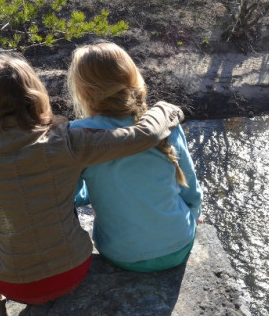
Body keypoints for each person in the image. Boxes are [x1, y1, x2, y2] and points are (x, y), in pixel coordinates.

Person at [0, 52, 184, 316]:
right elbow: (144, 136)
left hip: (15, 284)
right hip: (74, 270)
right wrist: (165, 109)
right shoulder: (67, 138)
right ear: (35, 93)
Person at [67, 42, 202, 273]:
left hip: (121, 253)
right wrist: (193, 215)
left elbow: (69, 197)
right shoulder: (163, 123)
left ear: (84, 92)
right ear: (133, 79)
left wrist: (101, 186)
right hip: (179, 244)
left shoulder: (78, 136)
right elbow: (191, 191)